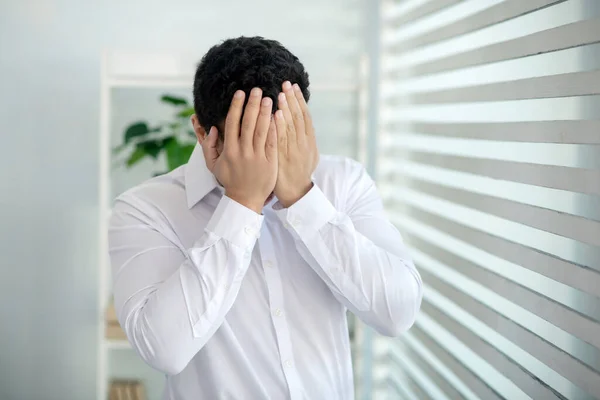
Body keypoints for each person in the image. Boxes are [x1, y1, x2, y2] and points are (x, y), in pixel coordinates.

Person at [108, 36, 422, 400]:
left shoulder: (344, 183)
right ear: (201, 132)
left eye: (284, 138)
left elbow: (397, 312)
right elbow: (164, 349)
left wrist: (304, 199)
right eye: (249, 142)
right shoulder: (146, 209)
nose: (270, 160)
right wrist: (242, 202)